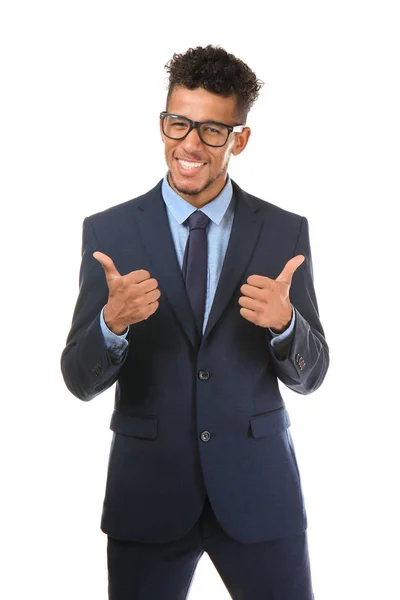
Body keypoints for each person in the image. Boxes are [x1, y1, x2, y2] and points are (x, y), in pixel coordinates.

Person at [61, 44, 329, 600]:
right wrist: (111, 324)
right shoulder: (108, 232)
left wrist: (285, 325)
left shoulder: (284, 232)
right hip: (148, 497)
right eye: (178, 123)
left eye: (212, 131)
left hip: (260, 496)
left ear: (240, 140)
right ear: (163, 123)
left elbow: (313, 374)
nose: (189, 144)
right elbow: (79, 380)